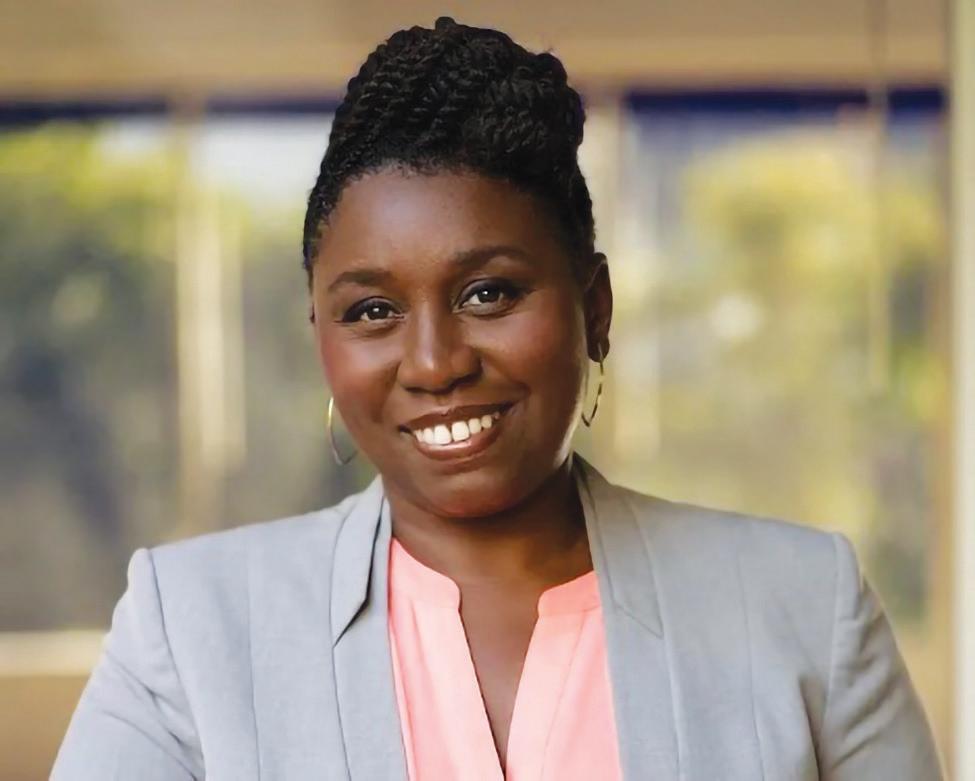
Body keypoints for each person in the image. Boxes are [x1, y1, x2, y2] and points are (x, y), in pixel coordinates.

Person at [53, 16, 943, 781]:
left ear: (594, 309)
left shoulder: (800, 607)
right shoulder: (190, 628)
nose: (434, 363)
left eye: (488, 293)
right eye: (372, 310)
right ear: (321, 334)